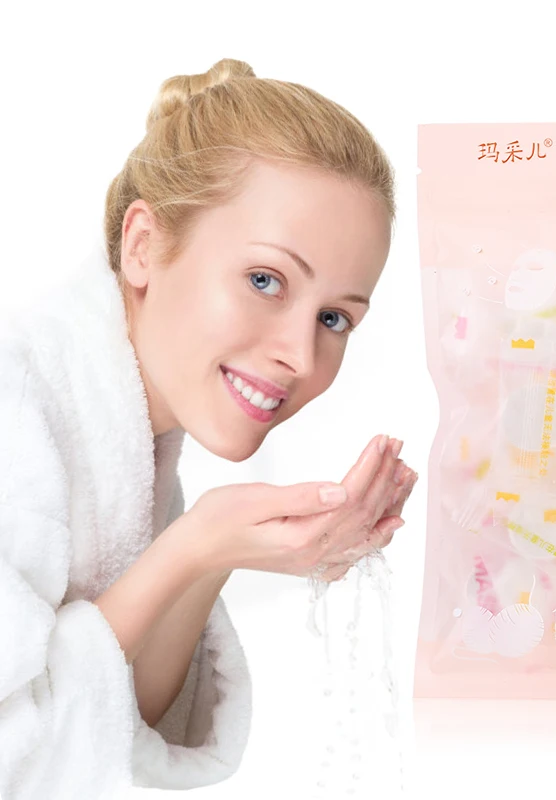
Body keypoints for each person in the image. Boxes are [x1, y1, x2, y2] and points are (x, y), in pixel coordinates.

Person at [0, 58, 418, 798]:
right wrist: (194, 544)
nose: (301, 355)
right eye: (265, 280)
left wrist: (213, 550)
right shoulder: (16, 409)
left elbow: (115, 724)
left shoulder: (133, 446)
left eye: (334, 318)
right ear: (142, 246)